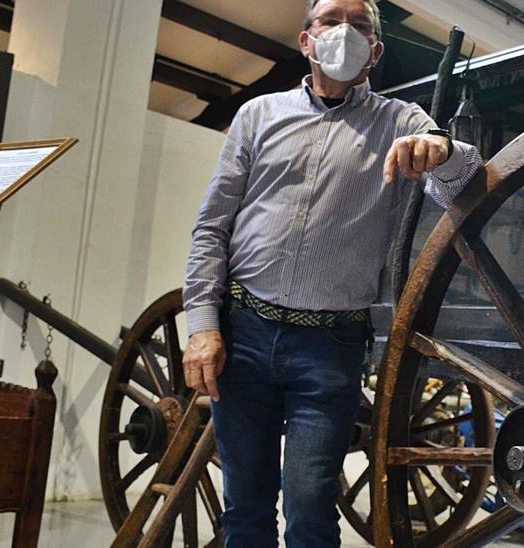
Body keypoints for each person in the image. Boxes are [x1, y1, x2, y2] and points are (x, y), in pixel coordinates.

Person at [181, 0, 482, 545]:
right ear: (306, 39)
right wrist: (202, 325)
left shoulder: (401, 121)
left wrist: (443, 149)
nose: (344, 33)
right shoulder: (257, 115)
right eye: (330, 21)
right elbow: (211, 228)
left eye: (360, 25)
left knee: (310, 507)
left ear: (376, 51)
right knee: (244, 509)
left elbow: (461, 183)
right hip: (242, 335)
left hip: (329, 346)